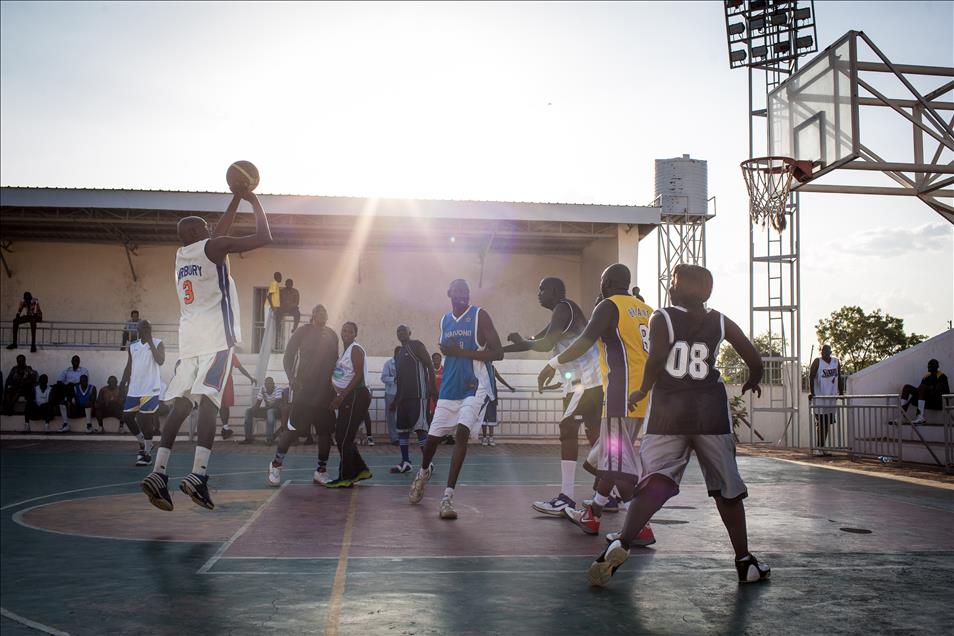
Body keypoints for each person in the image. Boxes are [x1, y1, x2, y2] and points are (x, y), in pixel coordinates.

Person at [584, 264, 770, 587]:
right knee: (727, 490)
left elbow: (656, 359)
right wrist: (753, 378)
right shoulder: (719, 320)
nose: (670, 285)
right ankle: (744, 562)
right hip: (710, 414)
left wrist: (642, 389)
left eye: (675, 281)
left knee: (654, 482)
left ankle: (622, 541)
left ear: (686, 289)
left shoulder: (662, 317)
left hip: (668, 413)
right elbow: (752, 357)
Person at [140, 185, 271, 512]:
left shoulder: (182, 255)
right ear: (198, 232)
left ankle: (158, 472)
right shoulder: (214, 247)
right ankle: (198, 475)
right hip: (216, 339)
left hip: (190, 341)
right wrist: (253, 198)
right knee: (210, 403)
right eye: (206, 227)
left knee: (182, 404)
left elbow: (218, 233)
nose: (212, 228)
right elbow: (264, 236)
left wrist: (237, 195)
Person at [537, 265, 654, 543]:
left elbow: (583, 341)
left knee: (617, 465)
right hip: (643, 396)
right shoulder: (646, 310)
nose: (600, 285)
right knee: (610, 459)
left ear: (609, 282)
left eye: (602, 280)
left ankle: (640, 526)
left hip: (620, 394)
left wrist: (553, 363)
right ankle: (594, 513)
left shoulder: (609, 306)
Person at [504, 277, 604, 515]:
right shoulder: (563, 312)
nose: (538, 293)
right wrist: (499, 351)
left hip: (584, 381)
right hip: (593, 381)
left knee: (568, 429)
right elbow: (534, 343)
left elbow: (545, 344)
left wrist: (521, 342)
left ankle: (566, 497)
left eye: (542, 289)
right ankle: (610, 494)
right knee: (595, 435)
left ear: (556, 291)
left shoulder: (563, 307)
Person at [409, 279, 503, 519]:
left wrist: (461, 352)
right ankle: (423, 472)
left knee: (462, 434)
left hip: (474, 385)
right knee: (432, 441)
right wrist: (448, 351)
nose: (463, 294)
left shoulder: (480, 316)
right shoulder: (445, 320)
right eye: (458, 290)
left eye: (466, 291)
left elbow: (498, 352)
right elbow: (449, 351)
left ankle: (447, 498)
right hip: (450, 386)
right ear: (449, 293)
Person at [267, 304, 339, 487]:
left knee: (325, 433)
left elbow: (335, 364)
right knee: (293, 430)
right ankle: (276, 464)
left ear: (327, 316)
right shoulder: (302, 332)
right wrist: (291, 378)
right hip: (304, 392)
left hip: (325, 393)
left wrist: (337, 390)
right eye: (318, 312)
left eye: (324, 312)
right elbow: (287, 357)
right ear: (313, 315)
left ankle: (320, 471)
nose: (321, 314)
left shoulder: (332, 335)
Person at [326, 321, 373, 487]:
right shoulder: (344, 352)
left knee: (343, 437)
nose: (346, 332)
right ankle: (360, 470)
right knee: (343, 436)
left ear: (355, 334)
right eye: (344, 330)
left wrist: (342, 396)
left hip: (356, 395)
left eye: (350, 331)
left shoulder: (355, 349)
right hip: (349, 396)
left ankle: (345, 477)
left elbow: (359, 374)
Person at [390, 325, 437, 474]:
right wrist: (396, 400)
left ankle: (427, 464)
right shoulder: (398, 354)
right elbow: (399, 380)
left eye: (403, 330)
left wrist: (432, 387)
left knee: (420, 429)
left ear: (410, 332)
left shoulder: (416, 345)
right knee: (402, 431)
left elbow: (429, 364)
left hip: (418, 395)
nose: (400, 332)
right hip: (403, 398)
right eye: (398, 330)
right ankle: (406, 462)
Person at [121, 319, 165, 466]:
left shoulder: (158, 343)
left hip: (150, 389)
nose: (145, 329)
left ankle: (146, 454)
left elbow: (160, 361)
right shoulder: (133, 346)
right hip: (134, 388)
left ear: (151, 329)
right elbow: (129, 366)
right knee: (127, 416)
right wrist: (123, 382)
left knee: (146, 421)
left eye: (148, 327)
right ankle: (143, 442)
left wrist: (151, 342)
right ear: (138, 330)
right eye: (143, 327)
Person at [809, 344, 841, 452]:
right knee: (820, 423)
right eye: (822, 352)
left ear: (830, 353)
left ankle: (822, 446)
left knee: (827, 423)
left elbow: (839, 377)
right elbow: (811, 377)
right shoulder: (817, 362)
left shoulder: (836, 362)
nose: (824, 354)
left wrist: (840, 392)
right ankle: (819, 447)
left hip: (831, 398)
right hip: (820, 398)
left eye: (826, 352)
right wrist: (812, 393)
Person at [901, 359, 951, 424]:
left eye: (932, 367)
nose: (931, 369)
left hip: (938, 402)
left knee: (922, 387)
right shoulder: (926, 377)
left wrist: (928, 389)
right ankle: (901, 415)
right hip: (927, 400)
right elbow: (920, 391)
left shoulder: (942, 377)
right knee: (906, 387)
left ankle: (920, 417)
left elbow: (938, 392)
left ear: (936, 367)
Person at [219, 353, 256, 440]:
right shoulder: (217, 353)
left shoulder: (230, 354)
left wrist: (250, 377)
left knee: (224, 405)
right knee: (221, 405)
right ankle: (225, 428)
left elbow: (239, 367)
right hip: (219, 381)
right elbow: (240, 367)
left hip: (223, 381)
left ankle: (225, 427)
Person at [243, 376, 284, 444]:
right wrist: (253, 409)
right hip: (267, 410)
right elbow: (258, 403)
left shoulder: (278, 389)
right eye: (267, 385)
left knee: (270, 411)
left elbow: (276, 404)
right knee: (248, 411)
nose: (268, 386)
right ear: (265, 385)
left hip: (277, 411)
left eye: (270, 384)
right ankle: (248, 438)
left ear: (273, 384)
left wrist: (265, 408)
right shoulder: (263, 388)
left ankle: (269, 439)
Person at [54, 355, 90, 432]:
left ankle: (68, 400)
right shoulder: (67, 370)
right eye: (74, 360)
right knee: (56, 386)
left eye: (77, 360)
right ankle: (65, 401)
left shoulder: (84, 370)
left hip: (78, 389)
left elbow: (83, 381)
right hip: (66, 388)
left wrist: (71, 384)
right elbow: (59, 380)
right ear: (71, 361)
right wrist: (65, 384)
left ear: (79, 362)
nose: (75, 362)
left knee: (70, 386)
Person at [481, 367, 515, 446]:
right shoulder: (481, 368)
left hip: (492, 396)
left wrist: (509, 387)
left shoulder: (492, 369)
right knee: (483, 417)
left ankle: (491, 437)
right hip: (483, 395)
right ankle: (484, 437)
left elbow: (499, 378)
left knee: (492, 416)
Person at [381, 346, 400, 444]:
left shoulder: (405, 364)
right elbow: (383, 378)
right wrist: (393, 380)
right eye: (399, 353)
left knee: (401, 416)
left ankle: (402, 437)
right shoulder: (388, 364)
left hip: (402, 395)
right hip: (391, 394)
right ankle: (394, 438)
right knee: (391, 417)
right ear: (395, 353)